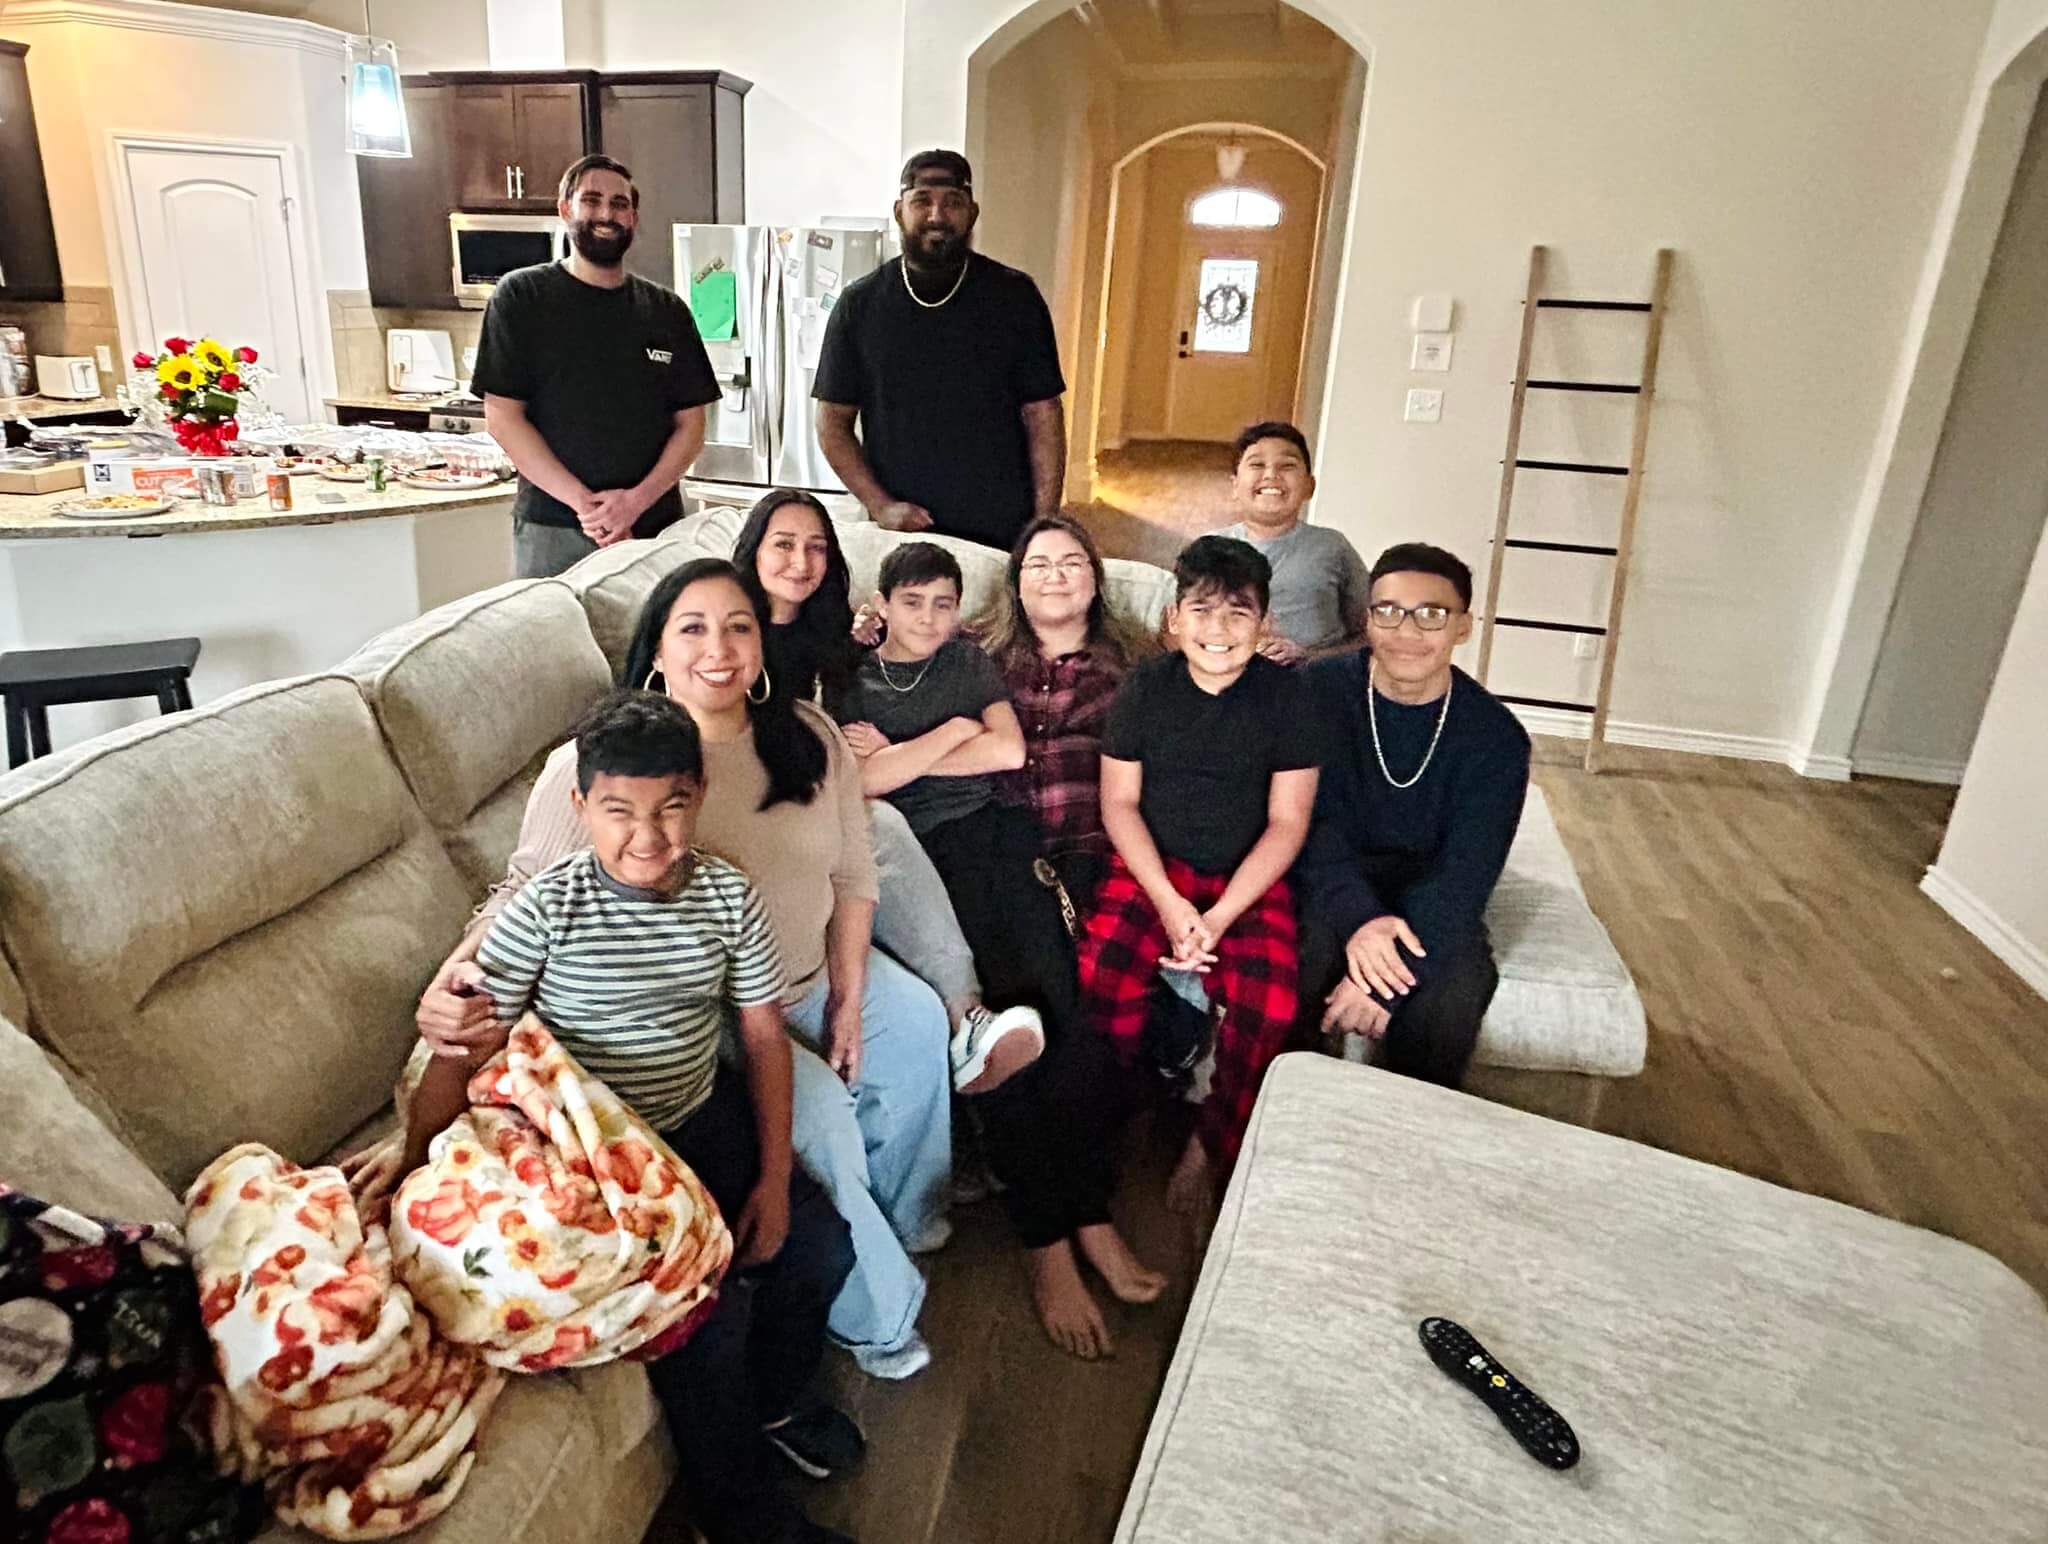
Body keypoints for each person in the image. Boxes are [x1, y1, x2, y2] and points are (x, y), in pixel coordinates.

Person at [416, 561, 959, 1383]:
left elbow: (855, 872)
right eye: (693, 628)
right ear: (658, 650)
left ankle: (909, 1216)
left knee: (916, 1026)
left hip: (811, 969)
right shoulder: (612, 761)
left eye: (739, 627)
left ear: (762, 644)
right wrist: (451, 977)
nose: (720, 648)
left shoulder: (808, 735)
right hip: (713, 1005)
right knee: (820, 1119)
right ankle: (876, 1317)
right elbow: (522, 892)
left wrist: (850, 997)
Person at [405, 691, 859, 1544]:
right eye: (619, 812)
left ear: (698, 796)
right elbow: (461, 1049)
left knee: (820, 1248)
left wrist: (773, 1179)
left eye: (670, 807)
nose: (646, 835)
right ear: (582, 807)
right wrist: (410, 1169)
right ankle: (739, 1516)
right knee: (702, 1322)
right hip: (591, 1153)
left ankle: (771, 1409)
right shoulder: (546, 910)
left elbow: (764, 1040)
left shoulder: (726, 897)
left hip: (696, 1115)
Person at [833, 542, 1165, 1361]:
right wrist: (950, 738)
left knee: (1062, 1014)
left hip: (1002, 840)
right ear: (884, 602)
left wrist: (912, 750)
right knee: (1004, 1036)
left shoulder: (971, 662)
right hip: (918, 865)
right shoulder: (852, 675)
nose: (928, 617)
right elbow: (861, 786)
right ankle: (1046, 1244)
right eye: (912, 602)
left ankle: (1089, 1214)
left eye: (943, 603)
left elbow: (1005, 752)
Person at [730, 489, 1047, 1093]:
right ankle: (965, 1014)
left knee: (885, 828)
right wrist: (953, 730)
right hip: (758, 799)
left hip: (819, 798)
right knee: (883, 822)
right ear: (754, 550)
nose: (800, 561)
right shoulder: (729, 626)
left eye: (816, 547)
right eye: (784, 544)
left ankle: (966, 1025)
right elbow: (860, 774)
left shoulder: (836, 641)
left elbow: (854, 765)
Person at [1079, 535, 1320, 1216]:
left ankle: (1210, 1143)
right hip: (1154, 866)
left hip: (1246, 876)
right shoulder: (1145, 689)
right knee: (1101, 974)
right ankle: (1122, 1109)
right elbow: (1119, 804)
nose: (1219, 629)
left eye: (1239, 613)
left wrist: (1216, 917)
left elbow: (1288, 823)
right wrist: (1167, 899)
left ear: (1264, 623)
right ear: (1174, 619)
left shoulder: (1288, 698)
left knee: (1270, 1004)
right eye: (1203, 611)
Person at [1293, 542, 1531, 1085]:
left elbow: (1468, 870)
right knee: (1301, 957)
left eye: (1431, 615)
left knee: (1453, 988)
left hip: (1430, 887)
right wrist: (1361, 919)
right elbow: (1307, 824)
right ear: (1367, 619)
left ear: (1463, 627)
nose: (1406, 631)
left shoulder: (1496, 738)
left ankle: (1406, 1128)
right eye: (1389, 611)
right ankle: (1281, 1116)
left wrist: (1379, 982)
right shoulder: (1316, 693)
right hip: (1331, 878)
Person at [473, 153, 718, 578]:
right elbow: (503, 418)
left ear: (634, 218)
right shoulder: (522, 298)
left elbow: (692, 426)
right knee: (548, 624)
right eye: (591, 200)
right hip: (553, 529)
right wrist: (588, 507)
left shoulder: (666, 311)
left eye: (619, 204)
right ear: (565, 209)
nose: (606, 214)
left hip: (654, 528)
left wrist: (634, 503)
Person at [813, 150, 1067, 550]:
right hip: (903, 534)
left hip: (1001, 530)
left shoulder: (1015, 297)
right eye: (922, 201)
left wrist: (1044, 524)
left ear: (972, 213)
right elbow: (832, 423)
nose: (937, 215)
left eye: (952, 202)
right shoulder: (859, 305)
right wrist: (880, 506)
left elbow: (1044, 415)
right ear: (899, 212)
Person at [982, 513, 1153, 911]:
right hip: (992, 851)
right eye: (1039, 565)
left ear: (1096, 580)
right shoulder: (975, 656)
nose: (1055, 577)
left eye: (1071, 564)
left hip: (1093, 855)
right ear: (1016, 584)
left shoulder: (1136, 666)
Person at [1215, 422, 1371, 665]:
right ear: (1235, 485)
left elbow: (1370, 632)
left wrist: (1311, 658)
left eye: (1287, 466)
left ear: (1310, 486)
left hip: (1315, 677)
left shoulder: (1332, 547)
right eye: (1257, 465)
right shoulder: (1211, 549)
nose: (1271, 475)